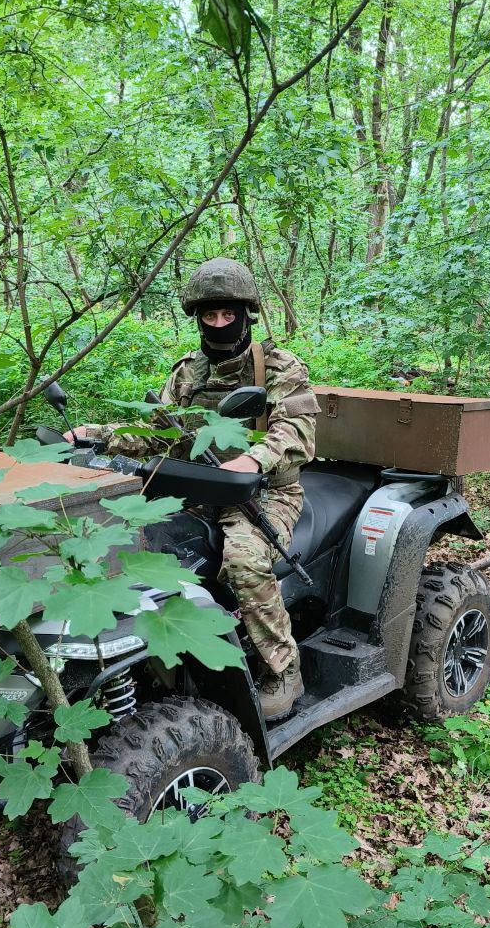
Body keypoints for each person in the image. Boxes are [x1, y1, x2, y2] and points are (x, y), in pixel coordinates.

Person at [81, 259, 317, 720]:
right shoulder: (189, 372)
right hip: (196, 488)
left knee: (245, 562)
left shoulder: (280, 367)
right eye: (210, 316)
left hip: (262, 493)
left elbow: (297, 432)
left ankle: (283, 668)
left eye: (228, 315)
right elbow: (157, 432)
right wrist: (97, 434)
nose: (219, 324)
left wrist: (252, 458)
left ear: (247, 313)